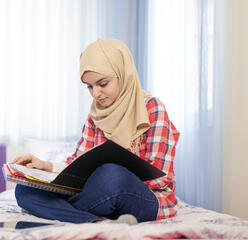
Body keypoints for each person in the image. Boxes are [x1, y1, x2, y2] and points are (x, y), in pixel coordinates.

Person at [12, 39, 180, 224]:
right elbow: (77, 167)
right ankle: (96, 222)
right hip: (99, 196)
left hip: (143, 197)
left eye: (103, 83)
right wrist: (45, 166)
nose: (96, 93)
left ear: (123, 74)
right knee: (25, 190)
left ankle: (71, 212)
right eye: (90, 86)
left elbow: (161, 178)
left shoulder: (152, 108)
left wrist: (107, 180)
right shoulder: (95, 117)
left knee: (111, 174)